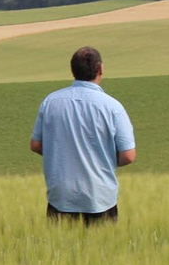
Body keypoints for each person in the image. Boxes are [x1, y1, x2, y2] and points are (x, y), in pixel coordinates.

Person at [30, 47, 136, 225]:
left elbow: (36, 145)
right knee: (103, 250)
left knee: (59, 250)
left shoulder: (50, 102)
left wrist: (62, 155)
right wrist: (100, 159)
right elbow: (128, 155)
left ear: (73, 70)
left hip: (61, 196)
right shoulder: (113, 107)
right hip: (100, 196)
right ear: (101, 68)